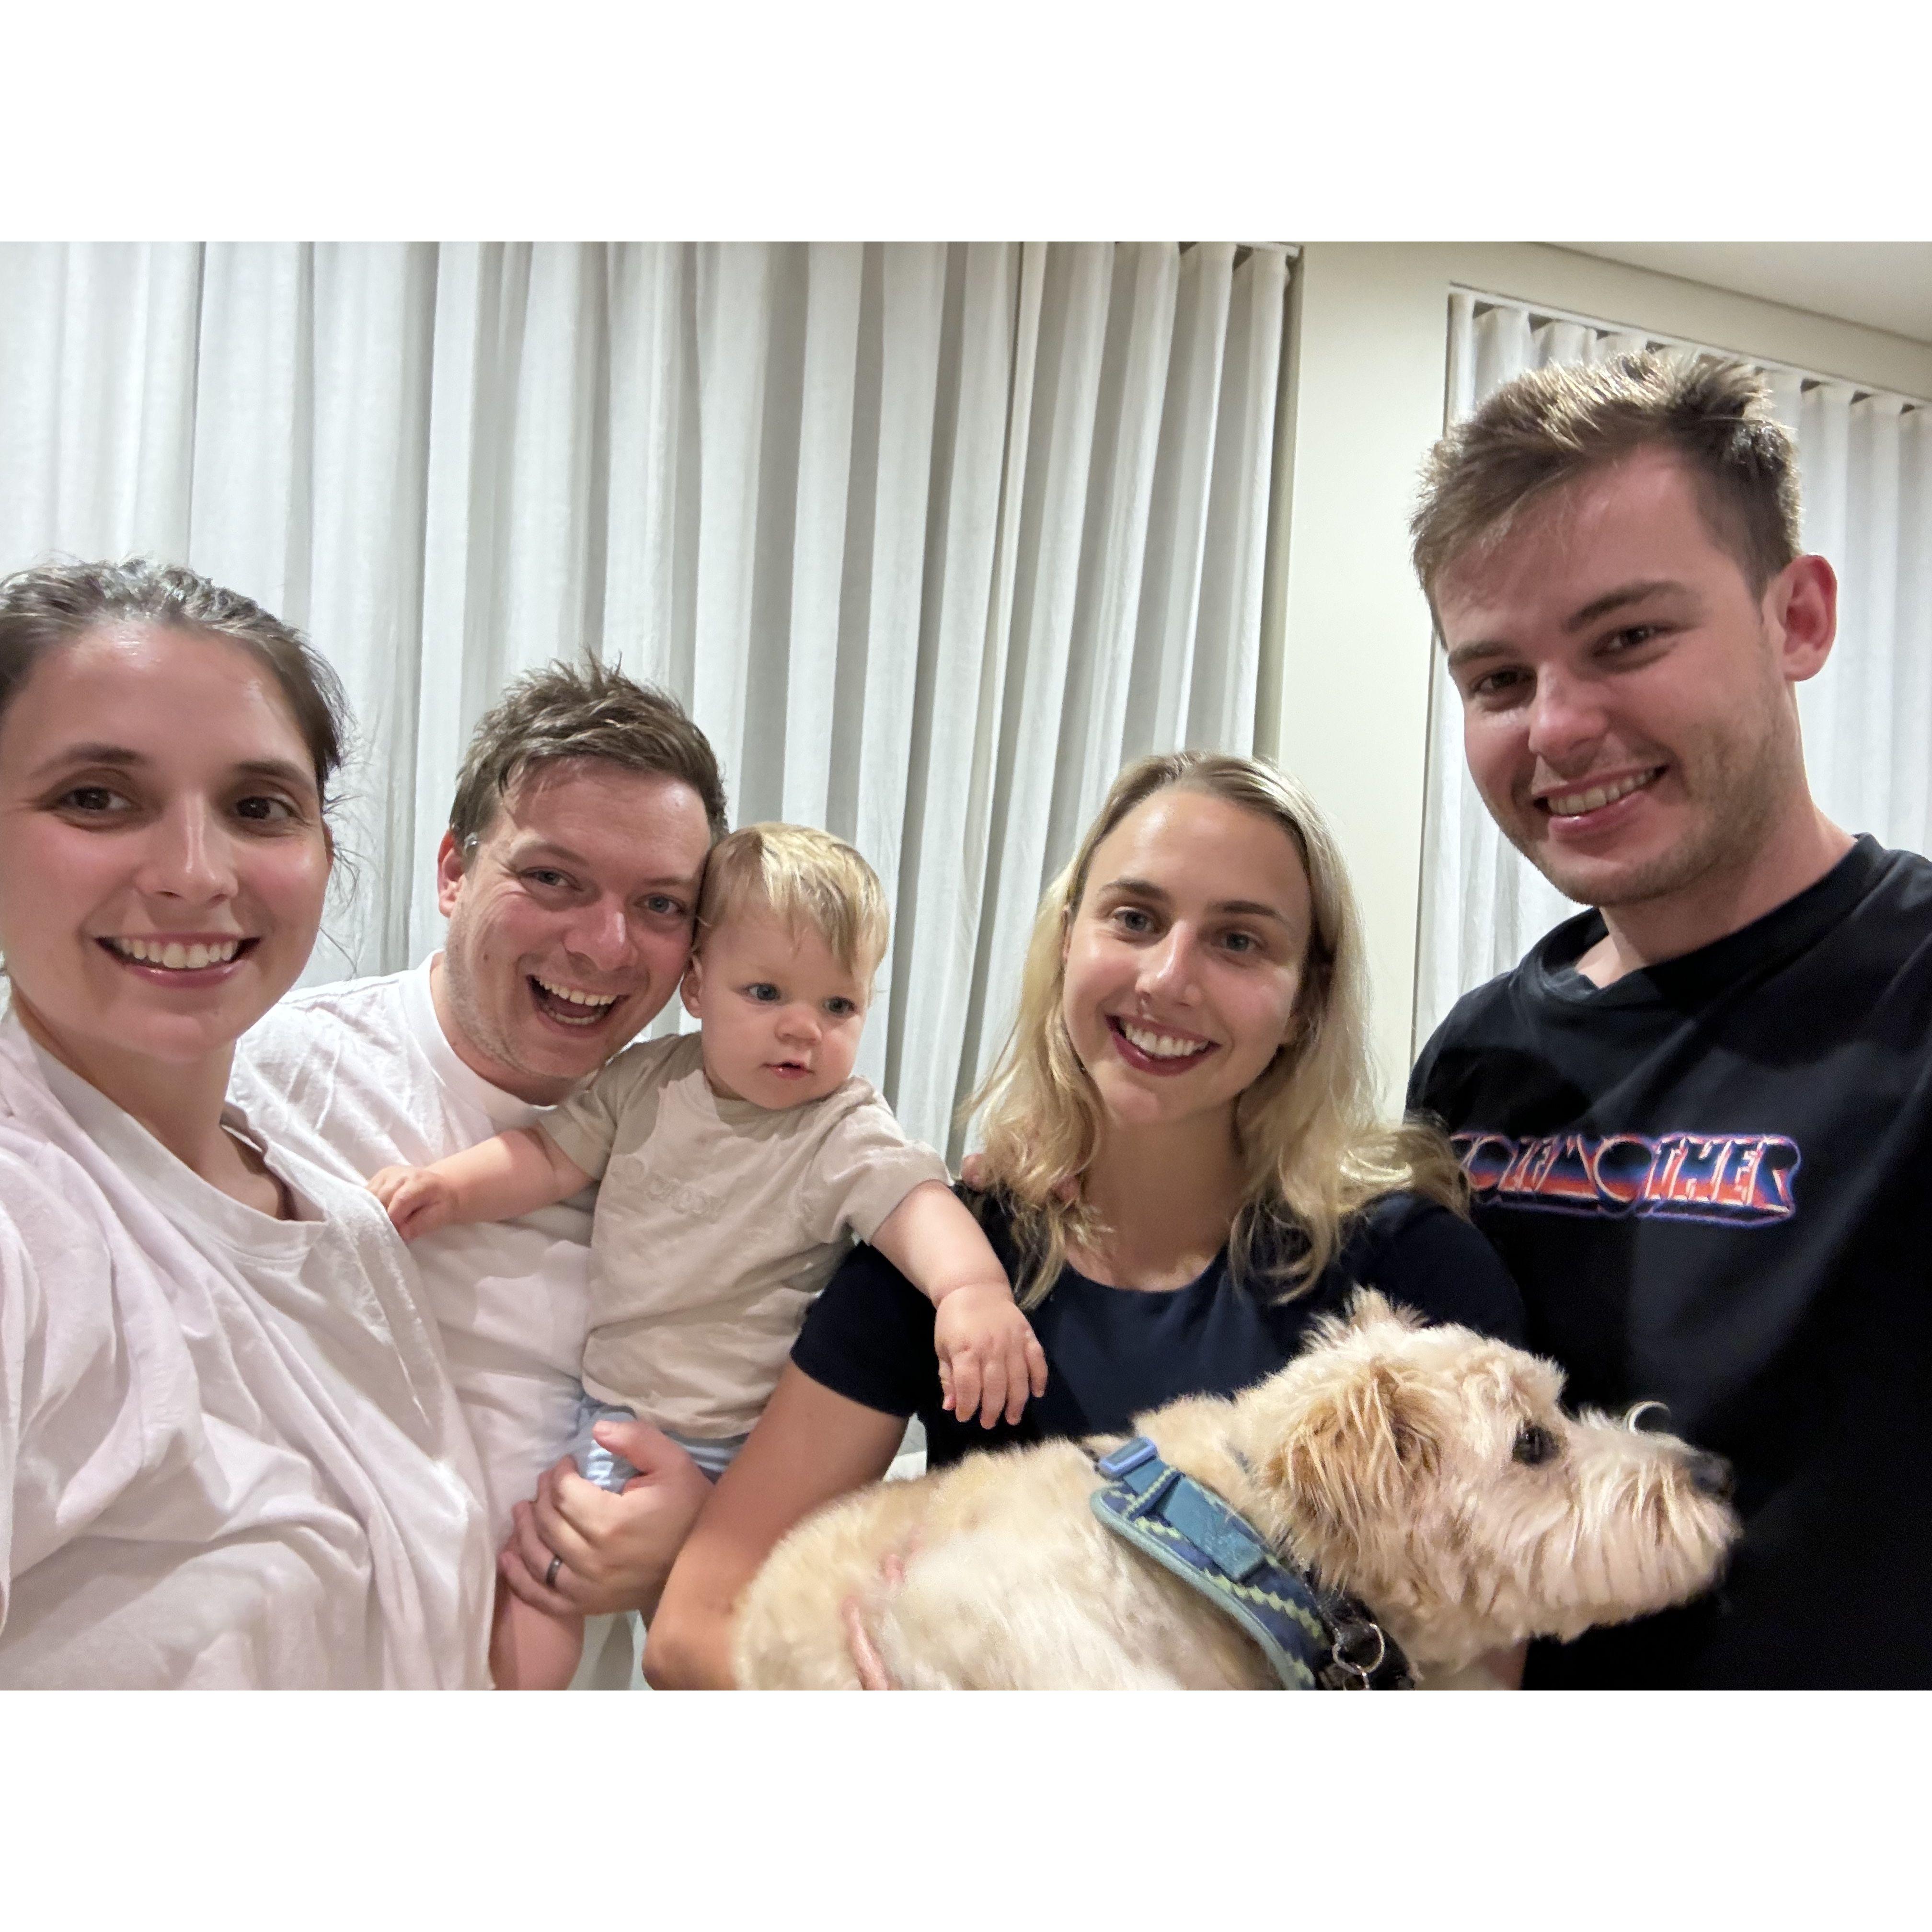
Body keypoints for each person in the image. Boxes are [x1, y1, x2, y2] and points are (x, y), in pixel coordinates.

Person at [643, 749, 1529, 1688]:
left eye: (1238, 941)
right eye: (1135, 919)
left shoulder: (1414, 1277)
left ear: (1306, 1000)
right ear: (1068, 938)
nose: (1168, 978)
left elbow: (1477, 1680)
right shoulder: (946, 1264)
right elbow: (694, 1628)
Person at [1407, 349, 1932, 1688]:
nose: (1557, 728)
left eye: (1628, 639)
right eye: (1497, 680)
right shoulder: (1477, 1060)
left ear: (1796, 619)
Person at [372, 820, 1046, 1686]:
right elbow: (547, 1157)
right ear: (696, 986)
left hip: (756, 1455)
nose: (803, 1030)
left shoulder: (840, 1127)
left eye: (838, 1007)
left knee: (710, 1650)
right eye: (765, 993)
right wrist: (451, 1188)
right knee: (543, 1591)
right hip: (619, 1417)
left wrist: (971, 1291)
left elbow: (918, 1203)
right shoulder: (647, 1081)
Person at [0, 557, 493, 1687]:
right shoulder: (26, 1229)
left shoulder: (333, 1205)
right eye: (96, 798)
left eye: (257, 807)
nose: (193, 873)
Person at [236, 660, 723, 1685]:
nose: (605, 946)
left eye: (660, 904)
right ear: (454, 871)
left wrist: (693, 1533)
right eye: (552, 879)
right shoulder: (262, 1080)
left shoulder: (713, 1148)